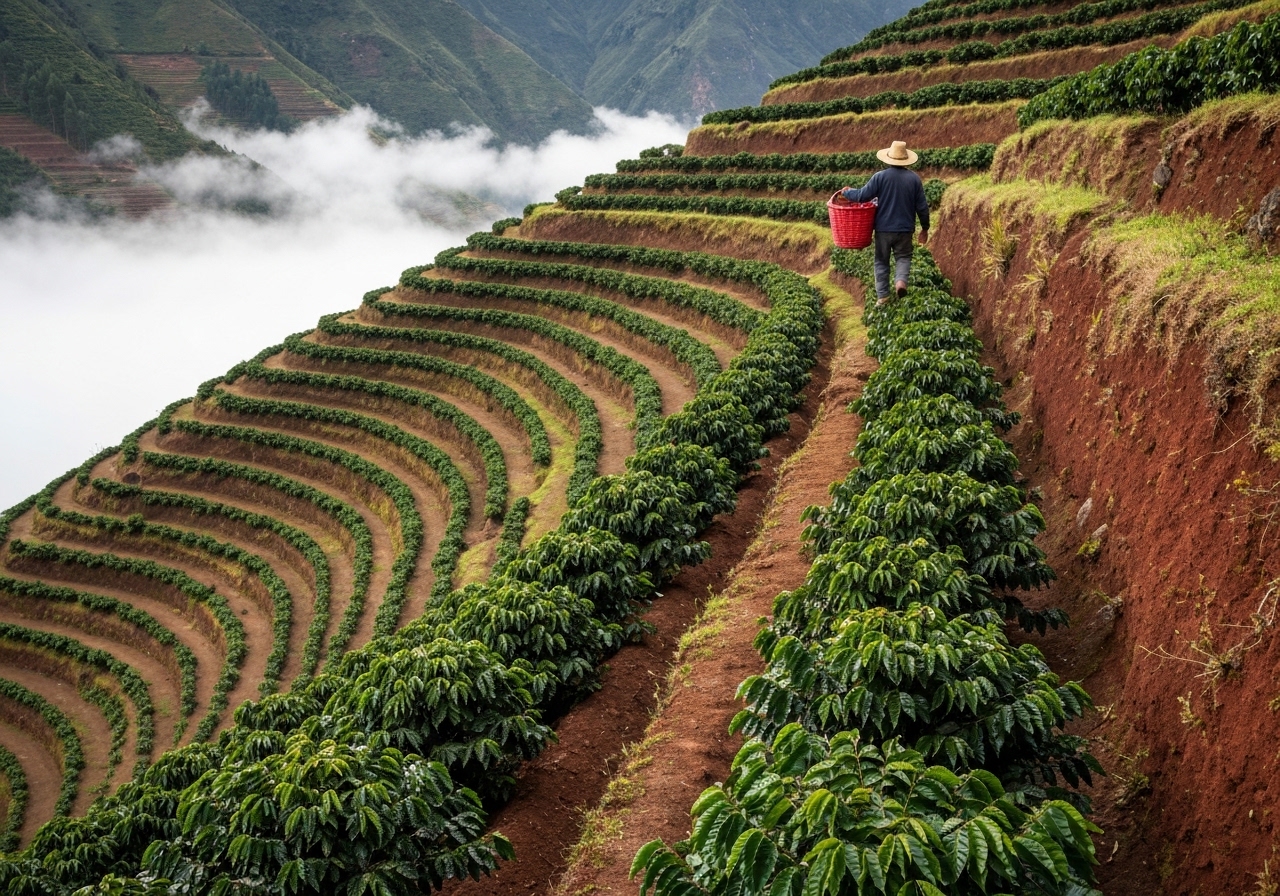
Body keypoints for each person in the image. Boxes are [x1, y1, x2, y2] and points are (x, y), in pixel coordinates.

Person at [840, 140, 930, 303]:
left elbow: (862, 196)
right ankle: (900, 282)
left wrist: (847, 192)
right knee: (903, 257)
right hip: (905, 230)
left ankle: (883, 297)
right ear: (905, 160)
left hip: (883, 229)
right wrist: (925, 228)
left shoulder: (880, 177)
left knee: (881, 261)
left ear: (889, 158)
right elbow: (922, 207)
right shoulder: (914, 179)